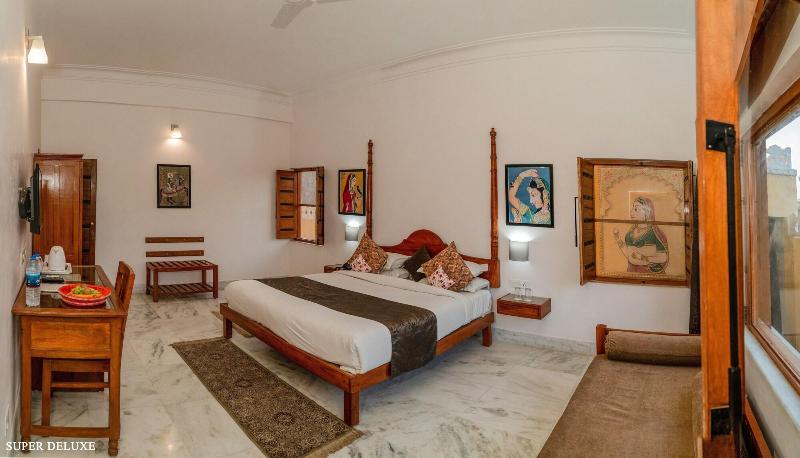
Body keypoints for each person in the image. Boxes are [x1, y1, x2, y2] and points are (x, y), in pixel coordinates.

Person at [613, 196, 669, 273]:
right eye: (632, 208)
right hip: (632, 272)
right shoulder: (630, 234)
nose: (631, 212)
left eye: (636, 209)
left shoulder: (655, 233)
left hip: (650, 273)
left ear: (648, 212)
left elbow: (663, 258)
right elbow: (629, 256)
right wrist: (617, 238)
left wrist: (643, 257)